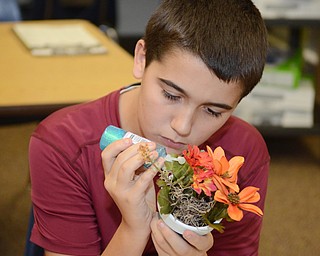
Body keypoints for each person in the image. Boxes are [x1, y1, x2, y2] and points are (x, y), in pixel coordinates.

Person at [29, 0, 270, 255]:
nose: (183, 127)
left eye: (213, 111)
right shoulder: (64, 144)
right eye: (170, 95)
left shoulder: (242, 152)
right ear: (141, 59)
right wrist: (133, 231)